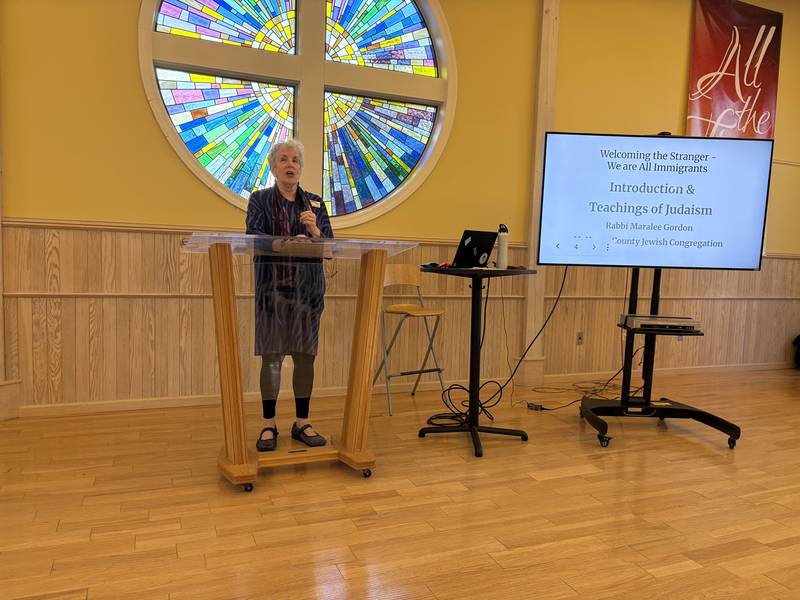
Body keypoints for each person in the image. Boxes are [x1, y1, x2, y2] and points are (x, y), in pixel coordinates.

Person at [245, 139, 333, 451]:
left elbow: (330, 247)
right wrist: (283, 243)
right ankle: (269, 425)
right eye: (283, 159)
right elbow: (253, 238)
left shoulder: (315, 204)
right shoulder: (259, 200)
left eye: (295, 159)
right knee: (272, 358)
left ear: (301, 168)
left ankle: (302, 422)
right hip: (272, 290)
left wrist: (315, 232)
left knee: (305, 357)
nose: (290, 164)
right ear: (273, 167)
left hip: (307, 293)